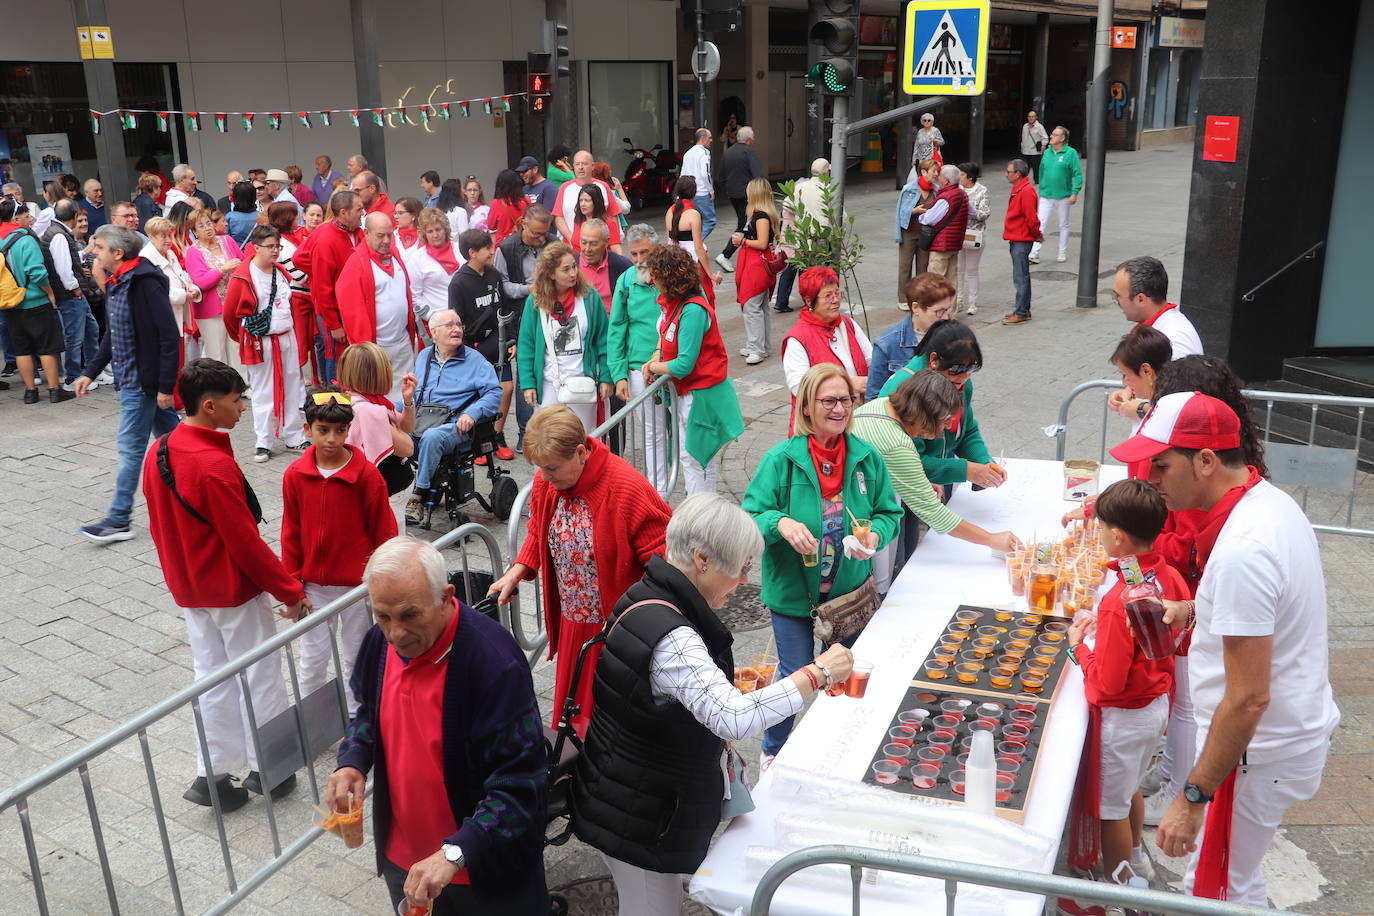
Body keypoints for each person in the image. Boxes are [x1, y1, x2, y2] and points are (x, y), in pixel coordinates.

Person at [571, 492, 855, 915]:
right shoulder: (673, 636)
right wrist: (816, 673)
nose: (744, 580)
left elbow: (680, 699)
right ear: (702, 559)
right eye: (740, 568)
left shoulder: (649, 594)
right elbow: (733, 718)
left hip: (629, 796)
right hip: (640, 813)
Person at [1111, 392, 1339, 906]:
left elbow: (1248, 698)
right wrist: (1193, 610)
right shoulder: (1265, 504)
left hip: (1253, 752)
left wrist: (1193, 795)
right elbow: (1269, 612)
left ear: (1206, 461)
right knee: (1234, 883)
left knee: (1216, 891)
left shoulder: (1244, 548)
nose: (1149, 479)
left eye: (1161, 465)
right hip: (1270, 742)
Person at [326, 536, 549, 914]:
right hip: (406, 866)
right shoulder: (379, 643)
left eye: (410, 615)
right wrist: (353, 758)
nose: (396, 633)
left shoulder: (493, 662)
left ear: (446, 596)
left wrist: (455, 851)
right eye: (382, 616)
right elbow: (368, 711)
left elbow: (521, 785)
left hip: (480, 871)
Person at [142, 358, 307, 810]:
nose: (242, 408)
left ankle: (210, 774)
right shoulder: (211, 465)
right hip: (231, 589)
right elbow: (246, 544)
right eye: (237, 401)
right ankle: (269, 768)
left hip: (191, 586)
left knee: (211, 679)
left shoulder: (161, 448)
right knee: (260, 673)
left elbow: (159, 525)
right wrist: (291, 591)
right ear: (210, 406)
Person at [742, 363, 902, 764]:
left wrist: (875, 537)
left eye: (846, 399)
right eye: (828, 400)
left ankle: (839, 752)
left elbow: (888, 512)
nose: (840, 408)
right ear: (807, 407)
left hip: (849, 597)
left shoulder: (866, 457)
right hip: (795, 597)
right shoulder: (781, 460)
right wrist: (782, 522)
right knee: (795, 677)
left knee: (847, 674)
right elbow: (750, 514)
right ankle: (774, 753)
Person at [489, 405, 671, 736]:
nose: (544, 477)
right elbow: (538, 528)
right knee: (572, 728)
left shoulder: (626, 488)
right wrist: (519, 569)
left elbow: (664, 559)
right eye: (540, 469)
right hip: (575, 626)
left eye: (552, 468)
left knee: (607, 728)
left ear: (581, 452)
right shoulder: (550, 479)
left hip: (616, 632)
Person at [1063, 479, 1185, 899]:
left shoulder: (1118, 603)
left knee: (1109, 810)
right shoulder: (1163, 572)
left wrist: (1079, 650)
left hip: (1125, 715)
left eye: (1098, 529)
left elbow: (1109, 682)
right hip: (1154, 705)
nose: (1097, 536)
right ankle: (1136, 860)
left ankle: (1118, 896)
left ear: (1116, 535)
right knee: (1130, 785)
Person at [282, 388, 397, 713]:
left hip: (356, 588)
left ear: (349, 429)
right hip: (313, 589)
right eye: (323, 430)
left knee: (356, 656)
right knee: (312, 659)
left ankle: (356, 720)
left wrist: (380, 585)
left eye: (340, 430)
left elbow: (383, 532)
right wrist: (292, 588)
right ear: (307, 429)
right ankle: (312, 721)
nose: (332, 438)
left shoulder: (367, 476)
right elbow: (290, 532)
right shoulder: (294, 475)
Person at [852, 370, 1018, 593]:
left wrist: (915, 481)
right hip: (860, 525)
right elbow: (935, 514)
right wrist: (991, 539)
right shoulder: (898, 444)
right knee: (876, 587)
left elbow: (882, 465)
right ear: (925, 414)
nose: (948, 428)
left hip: (858, 503)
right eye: (945, 420)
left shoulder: (882, 405)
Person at [72, 225, 181, 541]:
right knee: (176, 445)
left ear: (117, 253)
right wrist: (90, 372)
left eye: (100, 246)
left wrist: (164, 387)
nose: (94, 251)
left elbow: (169, 337)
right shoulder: (118, 282)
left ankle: (119, 519)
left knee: (131, 450)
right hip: (134, 380)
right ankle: (202, 495)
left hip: (142, 384)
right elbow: (113, 334)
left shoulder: (144, 283)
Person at [641, 244, 745, 496]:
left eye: (655, 274)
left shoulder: (693, 310)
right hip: (691, 394)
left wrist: (653, 366)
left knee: (697, 460)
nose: (651, 280)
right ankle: (701, 517)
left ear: (668, 277)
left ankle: (702, 520)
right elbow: (664, 331)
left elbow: (684, 364)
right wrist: (656, 355)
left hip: (700, 396)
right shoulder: (677, 303)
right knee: (693, 459)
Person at [878, 320, 1005, 500]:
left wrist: (983, 461)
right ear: (934, 360)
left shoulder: (960, 383)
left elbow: (966, 430)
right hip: (898, 485)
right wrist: (966, 470)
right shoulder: (904, 391)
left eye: (972, 368)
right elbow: (910, 462)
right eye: (958, 369)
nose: (965, 376)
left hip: (937, 475)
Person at [224, 226, 310, 462]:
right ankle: (263, 440)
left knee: (293, 385)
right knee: (263, 391)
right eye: (270, 246)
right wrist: (246, 336)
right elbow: (230, 315)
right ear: (256, 247)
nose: (275, 251)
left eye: (277, 246)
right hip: (261, 341)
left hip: (286, 337)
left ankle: (294, 435)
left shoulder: (280, 271)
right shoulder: (243, 276)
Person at [408, 310, 503, 516]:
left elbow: (495, 392)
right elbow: (415, 395)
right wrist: (390, 411)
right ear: (434, 333)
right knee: (385, 428)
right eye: (450, 325)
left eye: (459, 325)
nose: (457, 329)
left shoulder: (474, 360)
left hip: (453, 426)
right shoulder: (424, 356)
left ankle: (419, 495)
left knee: (432, 438)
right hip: (423, 419)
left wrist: (472, 413)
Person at [516, 242, 611, 433]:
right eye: (566, 269)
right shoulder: (535, 302)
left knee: (585, 439)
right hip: (549, 383)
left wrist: (607, 377)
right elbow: (527, 345)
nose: (573, 273)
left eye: (574, 266)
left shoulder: (589, 297)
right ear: (551, 274)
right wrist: (527, 383)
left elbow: (604, 341)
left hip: (582, 383)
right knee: (547, 441)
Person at [334, 212, 419, 399]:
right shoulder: (356, 263)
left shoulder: (395, 255)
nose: (387, 240)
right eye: (381, 235)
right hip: (377, 346)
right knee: (377, 396)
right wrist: (367, 350)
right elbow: (352, 313)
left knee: (404, 395)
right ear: (366, 234)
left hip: (402, 342)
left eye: (390, 234)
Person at [609, 225, 669, 490]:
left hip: (674, 366)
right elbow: (617, 328)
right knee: (652, 434)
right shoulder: (626, 280)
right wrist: (619, 374)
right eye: (634, 254)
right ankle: (658, 491)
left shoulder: (672, 275)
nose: (639, 259)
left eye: (645, 252)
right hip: (639, 370)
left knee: (680, 429)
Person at [448, 228, 516, 460]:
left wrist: (512, 339)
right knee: (480, 395)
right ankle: (481, 442)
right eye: (488, 248)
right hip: (475, 347)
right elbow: (456, 321)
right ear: (472, 252)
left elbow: (506, 309)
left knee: (506, 389)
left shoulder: (495, 275)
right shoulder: (458, 283)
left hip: (499, 343)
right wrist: (463, 350)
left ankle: (498, 436)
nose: (492, 251)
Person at [336, 341, 417, 530]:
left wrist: (407, 402)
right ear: (376, 374)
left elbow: (406, 426)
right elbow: (408, 447)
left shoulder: (350, 398)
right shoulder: (367, 410)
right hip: (387, 494)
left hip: (381, 492)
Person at [0, 199, 72, 404]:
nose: (30, 219)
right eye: (26, 215)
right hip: (34, 301)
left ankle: (30, 392)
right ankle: (54, 390)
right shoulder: (26, 239)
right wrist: (49, 292)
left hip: (10, 303)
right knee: (47, 346)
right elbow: (37, 273)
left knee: (22, 349)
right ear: (16, 218)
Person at [494, 205, 553, 447]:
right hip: (520, 314)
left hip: (551, 310)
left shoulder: (552, 242)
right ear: (523, 224)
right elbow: (502, 285)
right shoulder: (506, 248)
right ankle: (525, 433)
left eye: (544, 234)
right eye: (536, 234)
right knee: (525, 373)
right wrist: (529, 290)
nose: (541, 240)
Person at [781, 267, 871, 424]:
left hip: (858, 418)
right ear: (809, 301)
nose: (835, 300)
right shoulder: (797, 338)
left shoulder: (848, 325)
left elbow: (873, 361)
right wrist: (849, 385)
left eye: (837, 293)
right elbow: (800, 387)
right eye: (828, 296)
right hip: (820, 426)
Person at [294, 189, 365, 384]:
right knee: (336, 359)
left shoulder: (356, 231)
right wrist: (334, 324)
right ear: (343, 213)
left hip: (352, 307)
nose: (363, 213)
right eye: (359, 209)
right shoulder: (326, 237)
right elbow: (322, 289)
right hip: (334, 313)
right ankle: (336, 403)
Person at [42, 198, 101, 388]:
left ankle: (93, 372)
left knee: (91, 330)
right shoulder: (59, 235)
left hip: (73, 294)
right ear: (75, 216)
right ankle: (72, 378)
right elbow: (63, 268)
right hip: (70, 295)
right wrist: (75, 288)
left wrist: (84, 252)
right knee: (75, 337)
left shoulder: (57, 232)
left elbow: (68, 260)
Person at [868, 272, 954, 400]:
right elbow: (874, 398)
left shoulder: (951, 334)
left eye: (948, 310)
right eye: (939, 311)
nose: (946, 317)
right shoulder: (887, 345)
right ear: (916, 308)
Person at [184, 209, 245, 368]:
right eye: (201, 226)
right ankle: (221, 389)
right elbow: (201, 282)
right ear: (194, 232)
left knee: (237, 346)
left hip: (234, 304)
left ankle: (242, 384)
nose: (207, 228)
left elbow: (243, 263)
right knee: (217, 352)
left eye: (209, 223)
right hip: (210, 309)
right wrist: (222, 270)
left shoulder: (227, 241)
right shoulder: (193, 251)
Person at [140, 217, 202, 372]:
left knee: (179, 362)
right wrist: (184, 295)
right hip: (161, 320)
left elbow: (183, 277)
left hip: (176, 317)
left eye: (170, 235)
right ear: (151, 237)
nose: (168, 240)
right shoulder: (145, 259)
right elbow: (156, 291)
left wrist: (193, 288)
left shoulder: (170, 254)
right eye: (163, 236)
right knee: (169, 365)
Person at [1106, 326, 1173, 466]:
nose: (1124, 382)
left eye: (1126, 375)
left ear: (1146, 371)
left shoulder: (1169, 411)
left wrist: (1144, 409)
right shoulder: (1169, 393)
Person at [773, 158, 835, 312]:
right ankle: (813, 301)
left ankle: (791, 300)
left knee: (797, 268)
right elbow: (840, 217)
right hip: (820, 237)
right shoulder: (827, 189)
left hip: (801, 235)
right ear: (826, 172)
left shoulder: (800, 187)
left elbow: (786, 206)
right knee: (815, 272)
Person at [1112, 255, 1203, 358]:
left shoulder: (1173, 341)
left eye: (1118, 296)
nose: (1115, 301)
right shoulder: (1163, 326)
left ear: (1140, 299)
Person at [732, 177, 778, 365]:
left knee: (752, 307)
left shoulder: (760, 216)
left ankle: (757, 348)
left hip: (756, 266)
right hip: (757, 265)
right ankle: (761, 346)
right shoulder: (764, 214)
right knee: (761, 307)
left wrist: (741, 241)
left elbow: (761, 243)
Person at [665, 176, 722, 306]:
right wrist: (711, 274)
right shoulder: (693, 214)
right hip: (693, 264)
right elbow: (699, 247)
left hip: (674, 262)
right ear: (694, 193)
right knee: (703, 300)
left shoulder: (670, 211)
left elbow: (668, 240)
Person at [1030, 126, 1083, 264]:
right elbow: (1041, 171)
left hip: (1063, 196)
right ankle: (1034, 253)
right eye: (1051, 134)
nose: (1051, 136)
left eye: (1054, 134)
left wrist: (1074, 192)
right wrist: (1042, 187)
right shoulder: (1047, 152)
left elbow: (1077, 174)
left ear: (1062, 138)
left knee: (1063, 225)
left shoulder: (1070, 153)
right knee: (1040, 223)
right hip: (1046, 195)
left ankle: (1062, 252)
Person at [715, 126, 764, 271]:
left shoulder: (728, 152)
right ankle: (725, 254)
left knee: (745, 222)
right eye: (753, 137)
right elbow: (758, 176)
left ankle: (740, 254)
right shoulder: (749, 152)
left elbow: (720, 177)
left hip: (733, 194)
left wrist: (728, 190)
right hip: (747, 195)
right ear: (749, 140)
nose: (754, 139)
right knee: (745, 224)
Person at [404, 208, 462, 329]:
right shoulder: (417, 258)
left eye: (438, 229)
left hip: (465, 317)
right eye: (430, 231)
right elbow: (414, 296)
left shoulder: (459, 249)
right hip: (438, 323)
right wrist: (433, 318)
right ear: (424, 234)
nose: (435, 235)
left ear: (445, 229)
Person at [895, 157, 941, 306]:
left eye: (937, 171)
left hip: (926, 234)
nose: (936, 174)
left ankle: (920, 298)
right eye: (933, 171)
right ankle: (903, 299)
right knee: (905, 267)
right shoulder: (909, 189)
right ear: (923, 172)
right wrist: (914, 211)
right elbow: (900, 213)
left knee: (923, 267)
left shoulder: (936, 190)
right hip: (909, 232)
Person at [1001, 159, 1042, 325]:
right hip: (1018, 238)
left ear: (1017, 174)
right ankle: (1023, 309)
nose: (1006, 174)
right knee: (1022, 276)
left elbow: (1032, 219)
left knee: (1021, 277)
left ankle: (1021, 312)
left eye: (1008, 171)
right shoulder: (1020, 189)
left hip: (1021, 239)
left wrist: (1035, 234)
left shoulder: (1025, 192)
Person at [552, 151, 622, 242]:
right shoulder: (564, 188)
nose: (580, 167)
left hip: (600, 247)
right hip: (571, 247)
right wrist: (573, 240)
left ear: (592, 166)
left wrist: (612, 242)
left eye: (584, 164)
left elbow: (613, 215)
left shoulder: (603, 186)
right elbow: (558, 217)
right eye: (577, 164)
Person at [917, 164, 969, 282]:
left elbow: (929, 219)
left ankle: (936, 301)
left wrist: (921, 216)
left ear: (946, 180)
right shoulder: (962, 194)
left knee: (935, 281)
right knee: (951, 281)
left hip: (942, 244)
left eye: (940, 175)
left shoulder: (946, 197)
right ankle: (951, 301)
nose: (937, 177)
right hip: (955, 243)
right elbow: (972, 212)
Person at [955, 162, 990, 316]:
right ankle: (958, 300)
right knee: (958, 270)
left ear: (970, 177)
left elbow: (984, 214)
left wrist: (971, 211)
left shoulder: (982, 191)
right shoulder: (957, 189)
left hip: (974, 234)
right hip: (957, 234)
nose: (959, 177)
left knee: (972, 270)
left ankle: (972, 302)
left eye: (962, 175)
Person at [576, 218, 630, 310]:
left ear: (606, 242)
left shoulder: (622, 266)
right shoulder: (572, 264)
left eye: (593, 244)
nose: (587, 249)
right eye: (583, 242)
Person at [679, 127, 717, 240]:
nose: (711, 140)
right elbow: (705, 174)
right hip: (702, 192)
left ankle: (692, 243)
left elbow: (682, 174)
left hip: (690, 193)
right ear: (702, 138)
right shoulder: (704, 152)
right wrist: (711, 191)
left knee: (693, 220)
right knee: (710, 221)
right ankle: (696, 243)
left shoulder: (688, 153)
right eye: (709, 138)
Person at [569, 184, 622, 252]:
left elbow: (617, 252)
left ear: (596, 202)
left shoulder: (608, 224)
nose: (583, 204)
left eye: (587, 200)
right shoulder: (578, 220)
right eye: (581, 200)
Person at [486, 169, 527, 246]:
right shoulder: (525, 202)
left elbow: (491, 227)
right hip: (521, 243)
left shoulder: (497, 203)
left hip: (503, 244)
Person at [225, 180, 259, 246]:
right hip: (256, 253)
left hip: (236, 253)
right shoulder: (260, 216)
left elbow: (226, 240)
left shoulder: (230, 217)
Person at [1020, 110, 1050, 183]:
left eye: (1032, 116)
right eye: (1029, 117)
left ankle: (1037, 181)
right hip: (1026, 151)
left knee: (1036, 168)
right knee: (1024, 168)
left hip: (1035, 152)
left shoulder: (1039, 127)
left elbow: (1045, 137)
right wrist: (1022, 146)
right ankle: (1023, 181)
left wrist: (1043, 145)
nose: (1031, 118)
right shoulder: (1025, 126)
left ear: (1036, 117)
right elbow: (1023, 137)